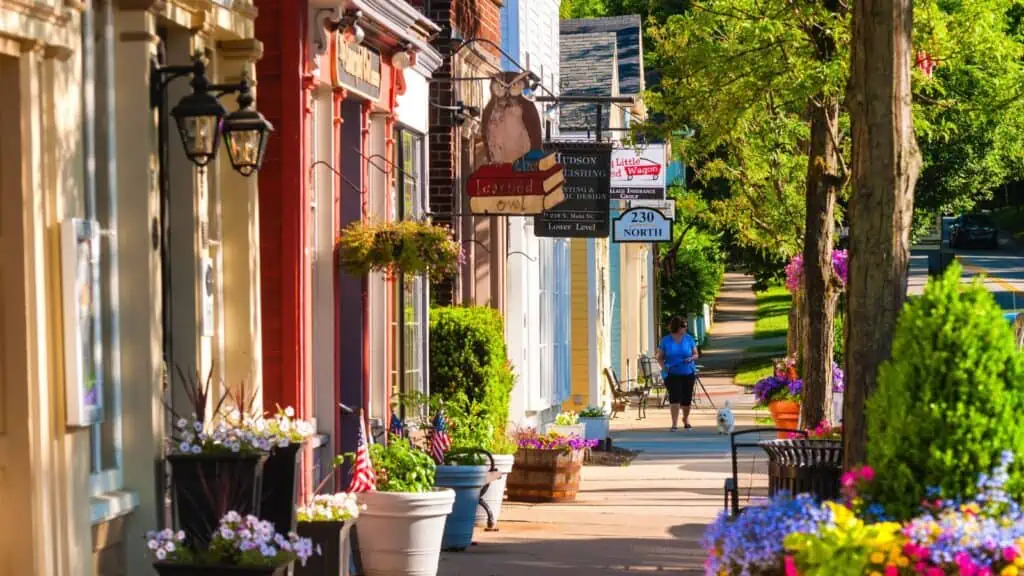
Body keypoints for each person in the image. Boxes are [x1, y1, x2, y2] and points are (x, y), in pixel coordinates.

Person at [656, 316, 699, 431]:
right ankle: (674, 424)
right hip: (672, 373)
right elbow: (659, 357)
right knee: (674, 397)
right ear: (677, 326)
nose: (685, 328)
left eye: (685, 326)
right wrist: (664, 367)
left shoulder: (689, 339)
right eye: (683, 326)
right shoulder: (666, 340)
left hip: (688, 372)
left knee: (687, 399)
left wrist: (691, 358)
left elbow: (696, 354)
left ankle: (686, 419)